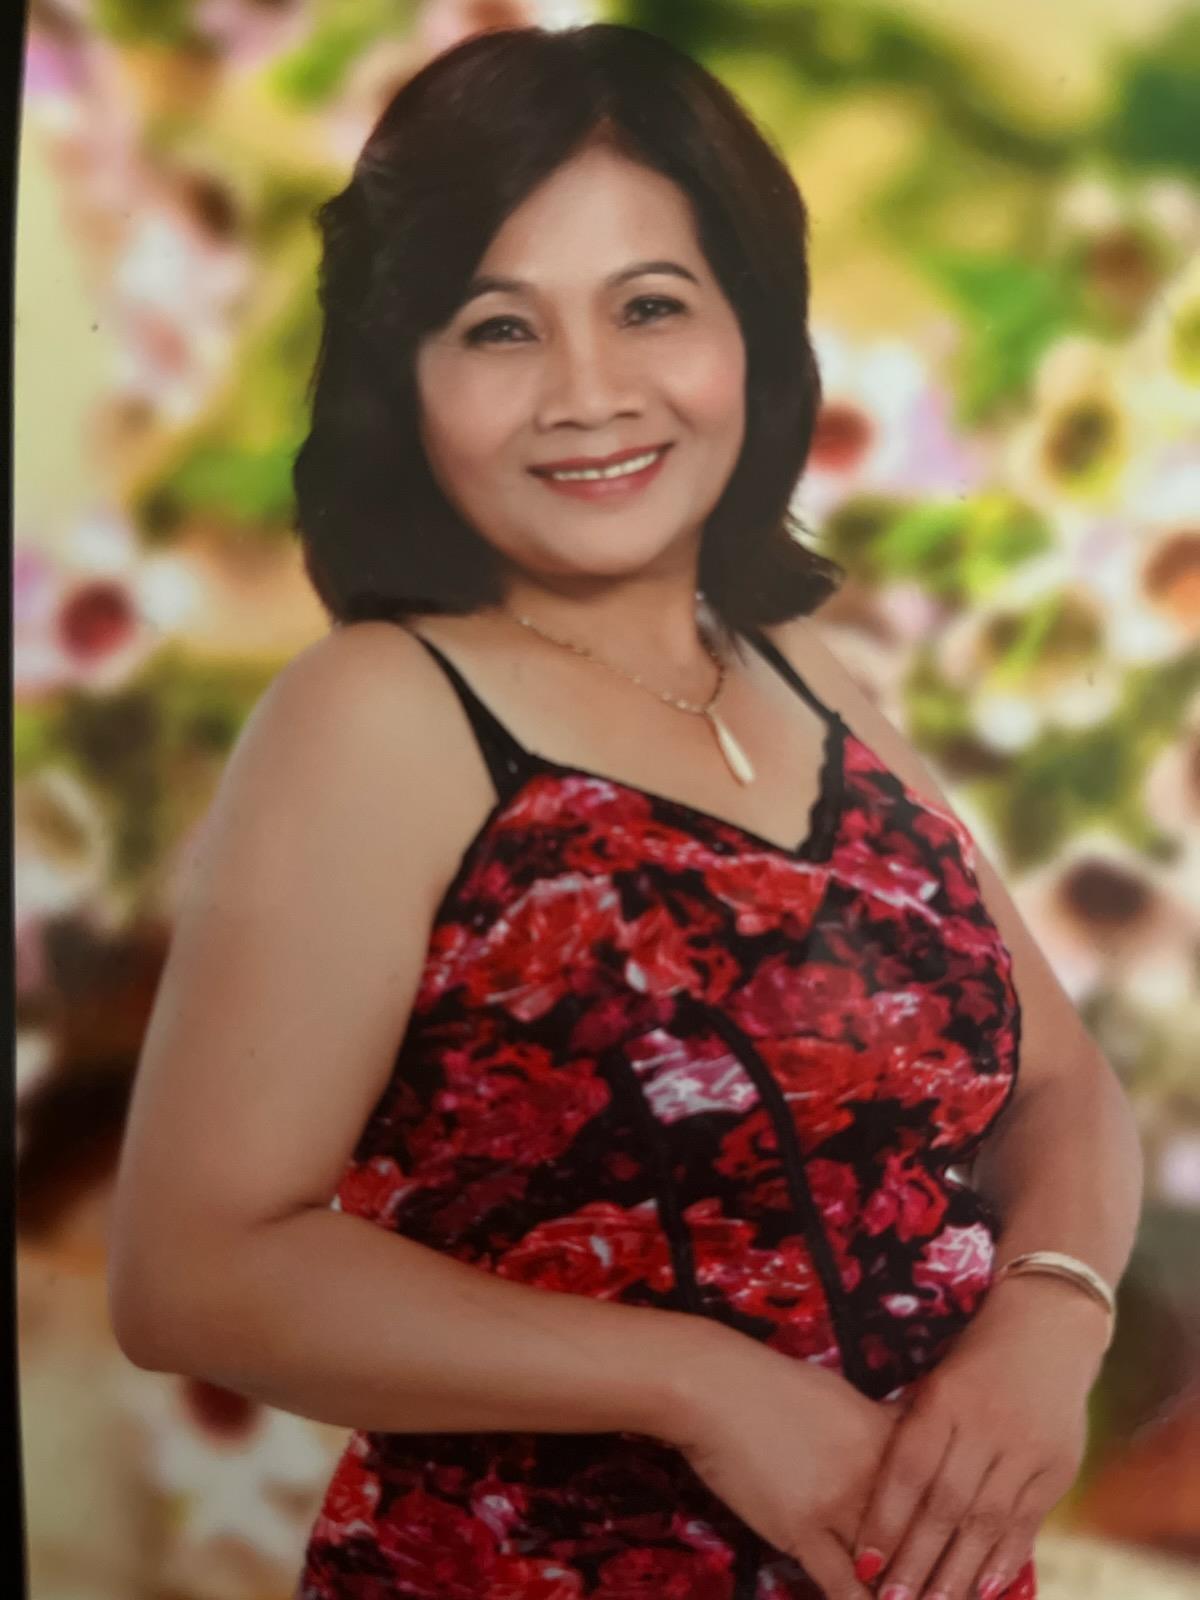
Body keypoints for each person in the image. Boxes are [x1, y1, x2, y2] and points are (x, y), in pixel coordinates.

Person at [107, 23, 1144, 1600]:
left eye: (651, 306)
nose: (586, 396)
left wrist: (1053, 1318)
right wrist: (698, 1385)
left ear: (755, 332)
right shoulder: (383, 710)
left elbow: (1059, 1087)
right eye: (497, 328)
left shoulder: (807, 673)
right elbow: (193, 1274)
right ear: (405, 371)